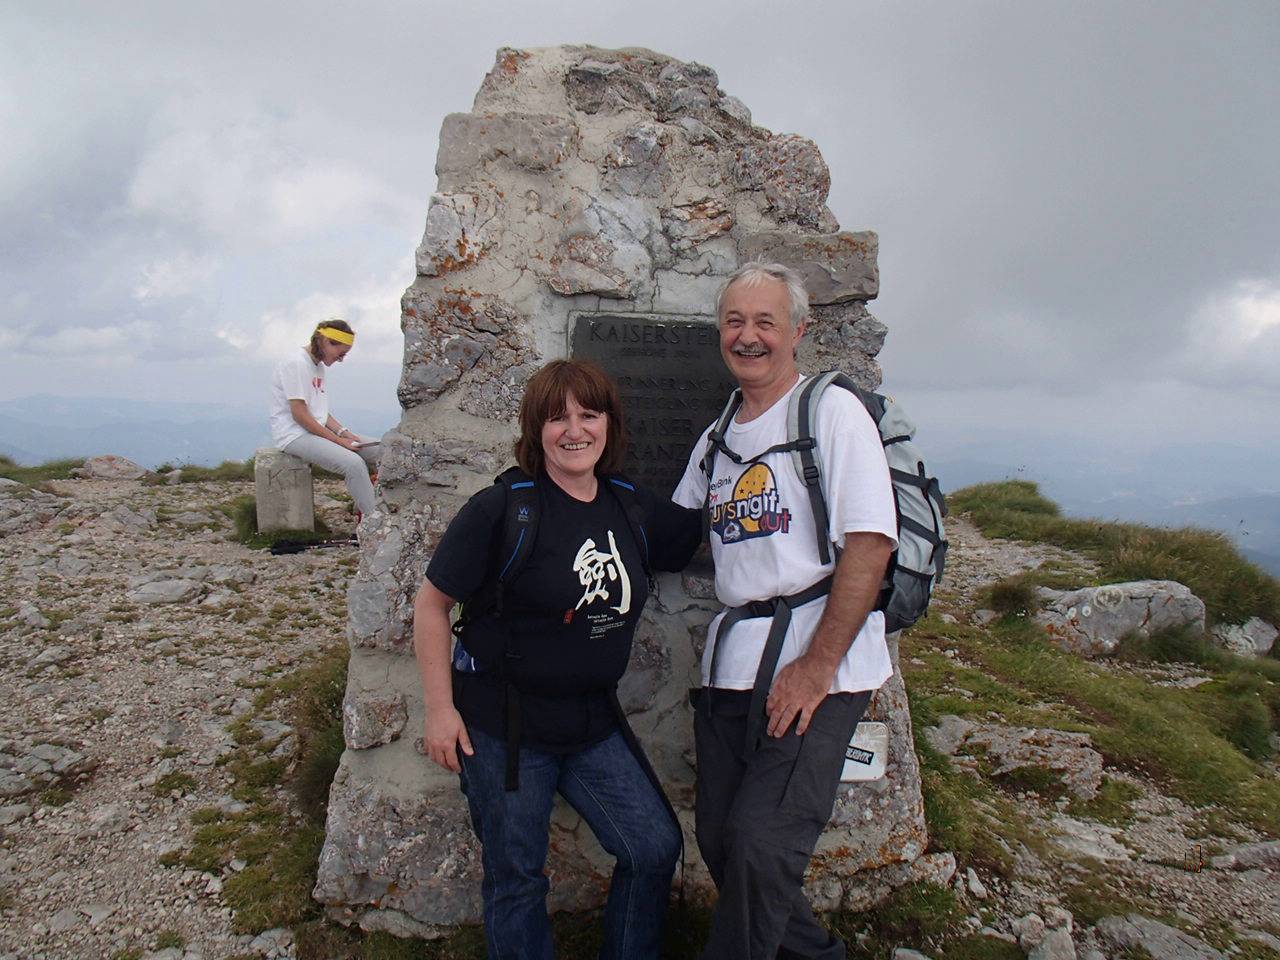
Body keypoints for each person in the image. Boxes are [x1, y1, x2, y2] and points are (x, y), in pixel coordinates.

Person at [413, 359, 701, 960]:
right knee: (517, 876)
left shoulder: (630, 506)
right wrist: (440, 711)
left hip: (591, 721)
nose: (574, 430)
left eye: (588, 415)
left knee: (652, 847)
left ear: (609, 423)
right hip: (505, 726)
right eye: (557, 418)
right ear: (535, 429)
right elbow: (432, 605)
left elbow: (703, 528)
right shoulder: (503, 509)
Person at [671, 263, 898, 960]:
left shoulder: (830, 412)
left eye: (765, 322)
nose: (748, 336)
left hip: (817, 668)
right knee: (722, 841)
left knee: (762, 845)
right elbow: (672, 531)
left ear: (797, 331)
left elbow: (870, 542)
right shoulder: (718, 437)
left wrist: (816, 667)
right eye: (735, 322)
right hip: (734, 668)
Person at [268, 319, 380, 517]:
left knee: (383, 451)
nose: (341, 359)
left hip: (315, 432)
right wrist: (339, 441)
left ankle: (379, 503)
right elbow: (300, 414)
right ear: (326, 342)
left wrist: (344, 433)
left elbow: (319, 410)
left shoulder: (317, 366)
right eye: (341, 353)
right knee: (353, 464)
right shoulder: (296, 363)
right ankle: (376, 520)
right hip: (294, 435)